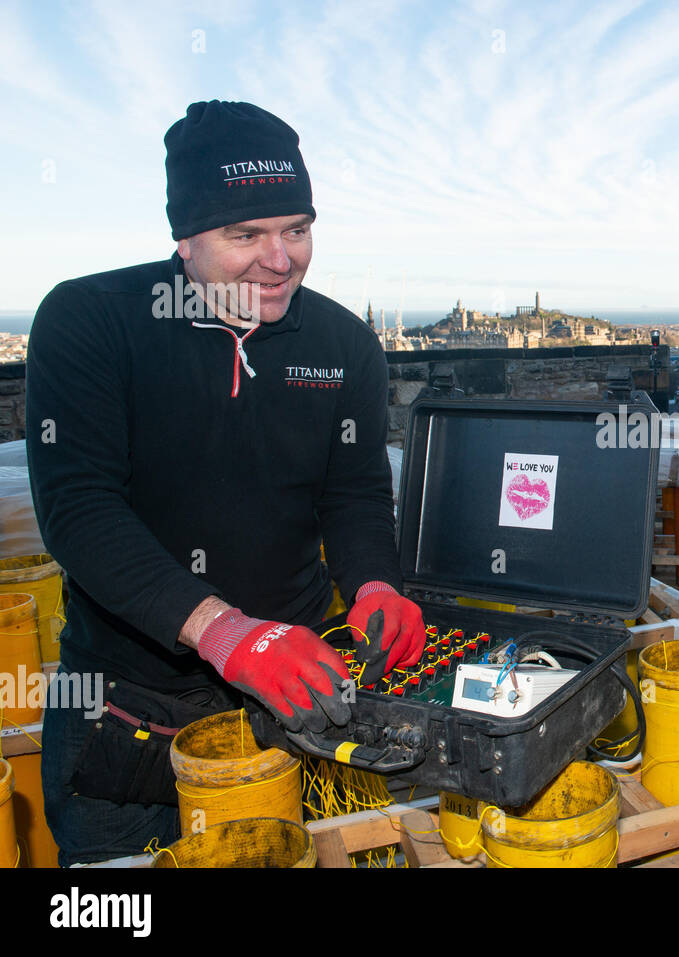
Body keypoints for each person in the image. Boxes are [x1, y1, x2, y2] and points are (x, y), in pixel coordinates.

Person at [26, 101, 426, 865]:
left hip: (305, 690)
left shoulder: (344, 345)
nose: (280, 260)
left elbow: (355, 494)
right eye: (246, 235)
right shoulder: (91, 321)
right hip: (130, 713)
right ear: (184, 236)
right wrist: (225, 631)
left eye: (298, 229)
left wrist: (375, 581)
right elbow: (79, 510)